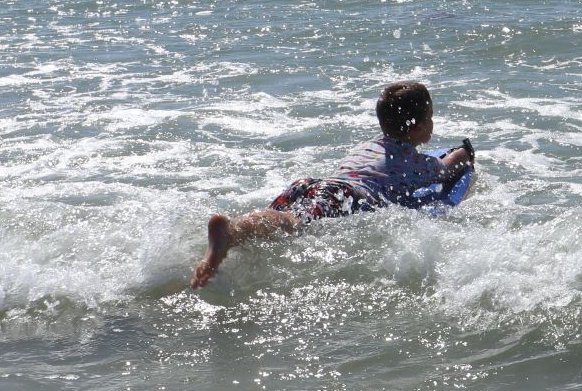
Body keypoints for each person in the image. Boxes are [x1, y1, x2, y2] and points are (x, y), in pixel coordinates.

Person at [191, 81, 474, 288]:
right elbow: (446, 169)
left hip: (312, 184)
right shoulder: (413, 162)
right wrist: (465, 153)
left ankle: (239, 229)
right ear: (419, 127)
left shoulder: (368, 146)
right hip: (346, 194)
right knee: (293, 223)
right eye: (430, 118)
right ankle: (230, 232)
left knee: (283, 219)